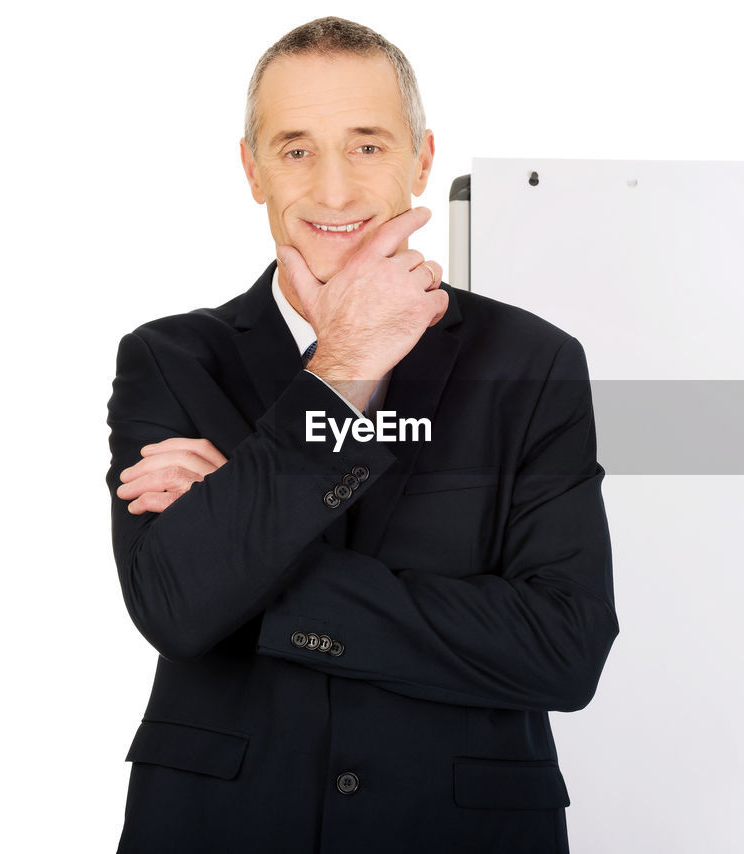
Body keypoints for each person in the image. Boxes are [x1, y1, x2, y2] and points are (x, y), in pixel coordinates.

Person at [105, 16, 617, 853]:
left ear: (422, 157)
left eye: (369, 146)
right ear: (252, 168)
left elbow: (563, 649)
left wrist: (238, 541)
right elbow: (174, 605)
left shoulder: (531, 361)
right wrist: (342, 364)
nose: (334, 190)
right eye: (297, 148)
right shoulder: (169, 358)